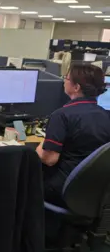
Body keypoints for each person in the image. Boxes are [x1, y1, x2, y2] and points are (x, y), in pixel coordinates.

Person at [37, 64, 110, 207]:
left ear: (76, 87)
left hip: (62, 189)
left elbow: (49, 159)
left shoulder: (62, 115)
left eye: (66, 78)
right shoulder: (106, 115)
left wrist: (41, 144)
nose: (64, 81)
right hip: (94, 192)